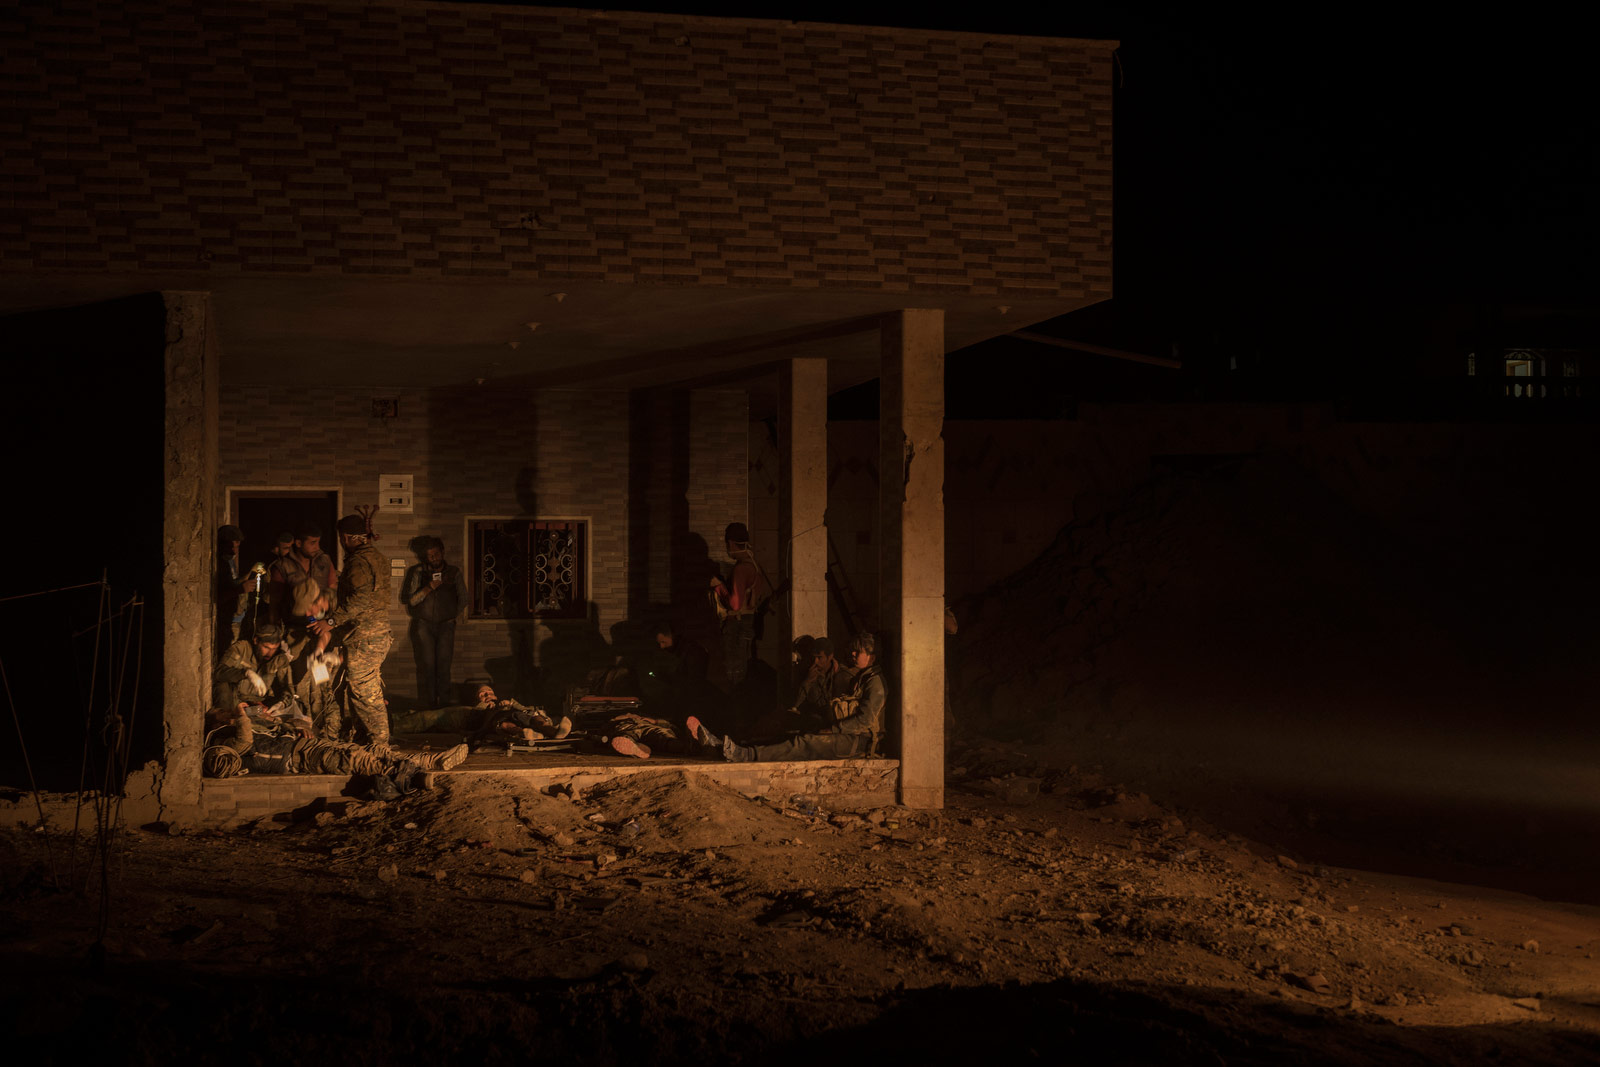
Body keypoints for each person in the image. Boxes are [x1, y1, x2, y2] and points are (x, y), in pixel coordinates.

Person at [689, 632, 886, 763]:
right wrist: (808, 683)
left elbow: (865, 720)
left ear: (872, 657)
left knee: (804, 743)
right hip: (841, 732)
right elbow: (797, 704)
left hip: (858, 741)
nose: (853, 654)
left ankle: (745, 754)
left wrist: (832, 729)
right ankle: (731, 747)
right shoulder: (861, 678)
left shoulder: (870, 682)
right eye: (853, 650)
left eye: (858, 652)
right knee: (787, 734)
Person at [201, 707, 466, 781]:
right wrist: (239, 712)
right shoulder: (226, 745)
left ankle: (432, 761)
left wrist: (291, 726)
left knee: (372, 751)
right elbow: (245, 738)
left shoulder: (228, 741)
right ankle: (417, 776)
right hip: (300, 758)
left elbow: (277, 731)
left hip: (304, 749)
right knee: (360, 761)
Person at [311, 515, 392, 746]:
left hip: (365, 636)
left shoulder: (358, 562)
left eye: (341, 538)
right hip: (374, 634)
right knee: (357, 687)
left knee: (364, 690)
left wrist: (331, 621)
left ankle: (380, 744)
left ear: (345, 537)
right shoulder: (377, 558)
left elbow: (360, 600)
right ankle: (362, 738)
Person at [402, 537, 468, 709]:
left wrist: (452, 614)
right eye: (430, 555)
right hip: (424, 624)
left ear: (442, 552)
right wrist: (428, 588)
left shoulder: (453, 572)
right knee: (427, 666)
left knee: (444, 666)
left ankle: (444, 704)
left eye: (436, 554)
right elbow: (411, 601)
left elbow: (464, 598)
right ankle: (429, 704)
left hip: (446, 624)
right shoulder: (418, 572)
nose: (434, 558)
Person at [708, 521, 764, 689]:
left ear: (731, 543)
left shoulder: (741, 569)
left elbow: (735, 604)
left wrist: (718, 586)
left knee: (732, 676)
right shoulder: (754, 565)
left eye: (727, 545)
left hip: (736, 628)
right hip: (748, 625)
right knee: (743, 675)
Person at [287, 578, 343, 740]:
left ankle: (333, 735)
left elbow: (355, 638)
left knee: (332, 694)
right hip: (327, 648)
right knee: (315, 690)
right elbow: (323, 630)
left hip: (348, 652)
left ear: (318, 600)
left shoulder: (341, 606)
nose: (307, 614)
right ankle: (317, 731)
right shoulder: (316, 611)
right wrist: (319, 650)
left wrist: (339, 659)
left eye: (308, 609)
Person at [213, 620, 296, 713]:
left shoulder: (280, 659)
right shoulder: (241, 648)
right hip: (235, 700)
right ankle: (226, 719)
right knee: (222, 687)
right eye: (266, 647)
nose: (270, 653)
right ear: (256, 641)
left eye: (274, 649)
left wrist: (282, 703)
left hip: (260, 704)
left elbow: (287, 687)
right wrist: (246, 673)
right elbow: (219, 672)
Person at [268, 524, 338, 624]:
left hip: (322, 624)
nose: (317, 547)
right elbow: (275, 603)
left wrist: (331, 622)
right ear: (298, 543)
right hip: (294, 625)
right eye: (313, 543)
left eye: (318, 542)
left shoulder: (324, 561)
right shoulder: (283, 566)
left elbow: (333, 590)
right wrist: (274, 627)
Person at [473, 684, 572, 741]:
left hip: (517, 714)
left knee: (533, 717)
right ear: (478, 699)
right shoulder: (479, 709)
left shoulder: (506, 700)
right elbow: (482, 725)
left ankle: (555, 732)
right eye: (482, 694)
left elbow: (524, 709)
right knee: (504, 725)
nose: (487, 694)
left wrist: (511, 703)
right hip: (501, 720)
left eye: (489, 692)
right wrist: (488, 708)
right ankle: (526, 734)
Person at [217, 524, 248, 643]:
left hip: (232, 617)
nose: (234, 551)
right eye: (232, 547)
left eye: (236, 547)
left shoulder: (230, 562)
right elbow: (219, 595)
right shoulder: (220, 564)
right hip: (223, 619)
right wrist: (241, 589)